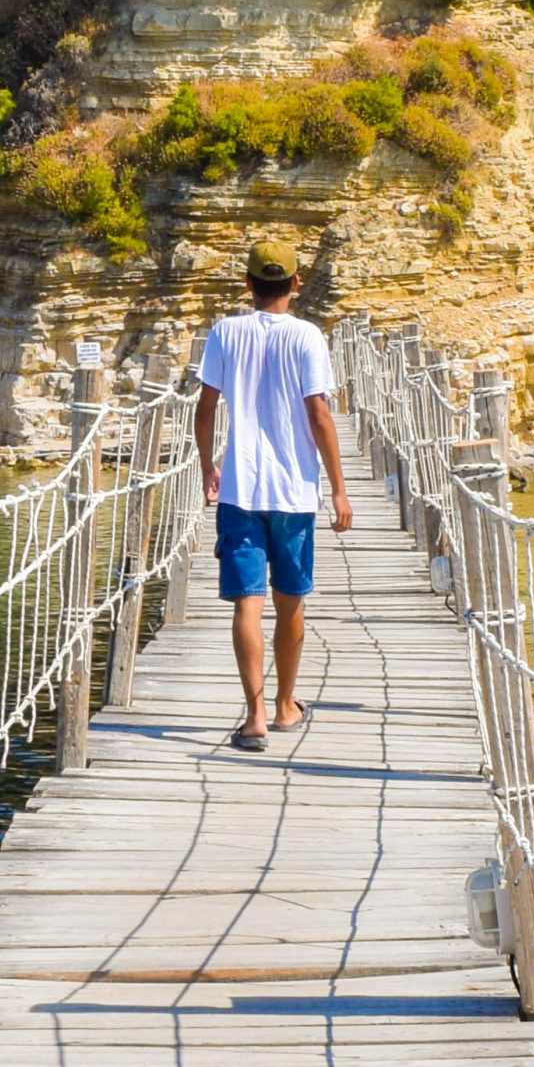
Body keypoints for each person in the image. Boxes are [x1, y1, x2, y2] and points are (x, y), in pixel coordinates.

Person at [194, 242, 353, 750]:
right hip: (294, 491)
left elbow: (205, 406)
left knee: (247, 603)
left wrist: (207, 466)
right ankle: (287, 705)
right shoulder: (308, 337)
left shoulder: (225, 332)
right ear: (296, 282)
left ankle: (255, 716)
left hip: (240, 489)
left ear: (248, 284)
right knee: (290, 603)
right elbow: (320, 414)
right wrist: (338, 488)